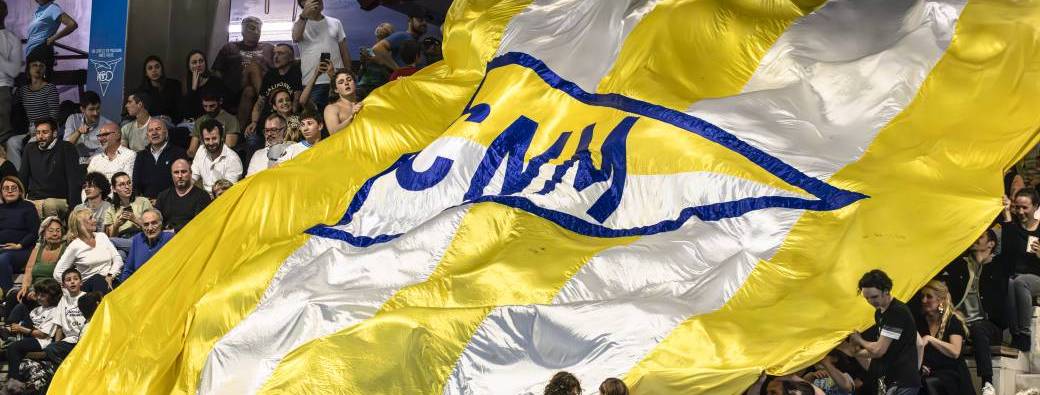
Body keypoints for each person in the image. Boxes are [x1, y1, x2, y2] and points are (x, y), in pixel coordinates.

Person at [935, 229, 1006, 395]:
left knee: (978, 329)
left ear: (991, 244)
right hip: (962, 324)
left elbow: (1011, 249)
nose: (975, 238)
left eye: (980, 236)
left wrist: (1008, 216)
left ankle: (987, 382)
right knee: (947, 332)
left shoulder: (999, 266)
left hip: (989, 326)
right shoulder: (962, 265)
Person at [848, 269, 920, 395]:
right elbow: (877, 352)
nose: (871, 301)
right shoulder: (880, 313)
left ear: (886, 290)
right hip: (890, 379)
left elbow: (878, 350)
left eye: (874, 296)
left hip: (902, 381)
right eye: (867, 298)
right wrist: (856, 353)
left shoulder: (897, 312)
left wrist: (858, 339)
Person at [212, 17, 274, 126]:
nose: (256, 32)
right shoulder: (230, 47)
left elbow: (281, 60)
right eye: (252, 28)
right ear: (242, 31)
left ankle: (239, 133)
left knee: (249, 91)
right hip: (234, 90)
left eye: (259, 29)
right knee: (253, 66)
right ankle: (269, 104)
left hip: (257, 92)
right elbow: (216, 71)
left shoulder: (268, 48)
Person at [914, 280, 971, 395]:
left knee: (930, 383)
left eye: (929, 297)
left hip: (951, 375)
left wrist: (930, 339)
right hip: (930, 373)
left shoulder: (952, 321)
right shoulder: (920, 323)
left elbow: (955, 351)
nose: (924, 300)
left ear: (940, 300)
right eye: (922, 296)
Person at [3, 278, 61, 389]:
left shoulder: (55, 310)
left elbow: (42, 335)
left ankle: (13, 379)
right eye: (38, 294)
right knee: (21, 306)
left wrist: (21, 328)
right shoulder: (37, 309)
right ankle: (7, 331)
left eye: (42, 296)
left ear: (52, 297)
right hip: (28, 334)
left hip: (41, 341)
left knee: (13, 347)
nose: (39, 297)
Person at [18, 117, 82, 219]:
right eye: (38, 133)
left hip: (58, 200)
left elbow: (73, 181)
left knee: (49, 204)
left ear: (55, 133)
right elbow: (22, 179)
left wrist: (74, 209)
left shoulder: (66, 148)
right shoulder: (29, 149)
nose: (40, 136)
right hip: (35, 200)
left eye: (45, 132)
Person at [293, 0, 351, 110]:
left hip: (337, 80)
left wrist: (348, 74)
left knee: (343, 116)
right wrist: (303, 16)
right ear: (303, 4)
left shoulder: (336, 22)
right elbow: (296, 37)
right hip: (313, 83)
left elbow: (344, 52)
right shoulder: (300, 24)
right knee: (316, 121)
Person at [1002, 188, 1040, 351]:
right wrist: (1007, 214)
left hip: (1035, 277)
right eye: (1017, 207)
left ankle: (1024, 334)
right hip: (1016, 277)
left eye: (1025, 207)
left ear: (1036, 207)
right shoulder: (1014, 227)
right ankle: (1016, 334)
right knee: (1009, 282)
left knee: (1019, 282)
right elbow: (1008, 249)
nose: (1020, 211)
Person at [53, 207, 122, 294]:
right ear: (81, 224)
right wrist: (72, 287)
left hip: (110, 279)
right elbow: (58, 273)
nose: (95, 220)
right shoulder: (75, 246)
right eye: (91, 218)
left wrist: (110, 275)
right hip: (89, 287)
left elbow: (118, 259)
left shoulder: (102, 236)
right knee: (97, 279)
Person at [7, 56, 58, 169]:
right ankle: (18, 177)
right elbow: (12, 103)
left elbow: (54, 114)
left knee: (31, 144)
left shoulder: (50, 88)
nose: (38, 68)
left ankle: (29, 177)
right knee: (12, 142)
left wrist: (44, 130)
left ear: (45, 70)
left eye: (41, 66)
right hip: (30, 129)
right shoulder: (23, 90)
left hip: (47, 129)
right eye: (34, 65)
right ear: (28, 70)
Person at [243, 43, 302, 142]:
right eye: (274, 53)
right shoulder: (270, 75)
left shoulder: (296, 73)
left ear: (291, 57)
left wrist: (291, 124)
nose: (276, 57)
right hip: (266, 124)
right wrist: (254, 122)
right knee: (252, 139)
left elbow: (296, 103)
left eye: (280, 53)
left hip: (287, 122)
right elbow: (260, 102)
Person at [0, 176, 39, 293]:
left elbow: (34, 232)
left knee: (2, 259)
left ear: (20, 191)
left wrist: (19, 245)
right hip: (2, 248)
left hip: (22, 250)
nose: (10, 191)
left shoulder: (28, 207)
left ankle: (9, 294)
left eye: (13, 188)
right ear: (1, 192)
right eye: (6, 188)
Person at [132, 119, 188, 200]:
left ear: (166, 133)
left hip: (172, 201)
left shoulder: (178, 153)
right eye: (151, 130)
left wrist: (161, 201)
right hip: (147, 203)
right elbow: (136, 185)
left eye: (158, 129)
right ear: (147, 136)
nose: (154, 133)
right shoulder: (141, 156)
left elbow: (182, 183)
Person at [17, 216, 64, 302]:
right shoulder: (37, 249)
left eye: (58, 230)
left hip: (53, 292)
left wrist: (40, 293)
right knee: (14, 296)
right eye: (51, 231)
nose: (55, 234)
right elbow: (29, 270)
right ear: (43, 233)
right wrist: (25, 287)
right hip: (34, 290)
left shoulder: (66, 250)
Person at [155, 159, 210, 232]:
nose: (180, 176)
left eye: (183, 172)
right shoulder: (163, 196)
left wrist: (173, 231)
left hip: (189, 237)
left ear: (190, 173)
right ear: (172, 175)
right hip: (165, 238)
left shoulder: (202, 196)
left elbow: (199, 223)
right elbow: (156, 220)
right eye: (176, 172)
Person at [105, 171, 152, 256]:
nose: (127, 187)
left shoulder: (143, 201)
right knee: (120, 254)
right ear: (114, 189)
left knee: (107, 242)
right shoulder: (110, 210)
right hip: (122, 241)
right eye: (122, 185)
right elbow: (112, 236)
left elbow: (152, 227)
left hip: (141, 236)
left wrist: (135, 219)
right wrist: (116, 225)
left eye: (129, 183)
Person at [118, 209, 171, 283]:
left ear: (161, 223)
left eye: (154, 223)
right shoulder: (137, 239)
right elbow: (128, 269)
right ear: (141, 226)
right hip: (139, 285)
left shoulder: (170, 239)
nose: (150, 228)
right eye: (146, 224)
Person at [0, 1, 23, 168]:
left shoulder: (11, 38)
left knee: (3, 135)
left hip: (2, 88)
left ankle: (6, 175)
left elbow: (15, 70)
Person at [191, 118, 242, 193]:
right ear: (202, 139)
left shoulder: (233, 159)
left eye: (214, 138)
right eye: (207, 139)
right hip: (204, 197)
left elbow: (228, 191)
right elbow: (194, 176)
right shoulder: (201, 150)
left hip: (223, 198)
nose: (211, 143)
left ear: (222, 138)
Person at [24, 0, 77, 71]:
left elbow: (72, 24)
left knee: (40, 80)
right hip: (32, 52)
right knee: (31, 80)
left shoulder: (53, 8)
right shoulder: (40, 9)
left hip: (41, 50)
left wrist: (53, 38)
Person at [63, 91, 112, 166]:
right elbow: (66, 146)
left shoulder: (107, 124)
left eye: (98, 108)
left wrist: (91, 162)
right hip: (75, 163)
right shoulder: (73, 119)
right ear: (82, 109)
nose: (96, 113)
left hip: (98, 163)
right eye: (91, 109)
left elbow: (107, 150)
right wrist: (78, 132)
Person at [181, 49, 228, 122]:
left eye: (201, 61)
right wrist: (193, 88)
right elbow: (185, 111)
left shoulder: (215, 81)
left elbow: (221, 105)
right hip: (191, 122)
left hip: (211, 120)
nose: (198, 65)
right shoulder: (185, 82)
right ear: (189, 66)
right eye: (194, 62)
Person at [189, 91, 240, 157]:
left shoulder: (231, 119)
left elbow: (229, 147)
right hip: (202, 158)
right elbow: (192, 150)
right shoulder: (199, 121)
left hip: (223, 158)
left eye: (212, 106)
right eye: (205, 106)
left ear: (220, 101)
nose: (208, 109)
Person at [137, 56, 182, 124]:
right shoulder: (141, 91)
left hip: (171, 123)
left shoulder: (174, 85)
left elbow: (179, 110)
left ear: (162, 69)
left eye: (157, 67)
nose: (154, 70)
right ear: (146, 73)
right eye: (150, 68)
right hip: (150, 124)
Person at [323, 69, 362, 135]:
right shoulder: (331, 108)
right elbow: (333, 132)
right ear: (336, 89)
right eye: (341, 82)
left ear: (355, 83)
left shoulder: (364, 103)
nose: (346, 83)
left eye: (349, 79)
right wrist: (351, 117)